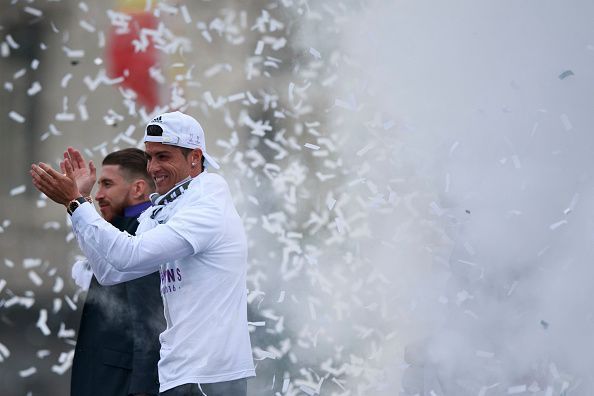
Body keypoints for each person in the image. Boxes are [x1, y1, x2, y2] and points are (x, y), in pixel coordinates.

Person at [31, 111, 255, 396]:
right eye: (150, 157)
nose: (152, 167)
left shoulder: (208, 205)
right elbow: (111, 271)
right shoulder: (163, 208)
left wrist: (76, 204)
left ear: (195, 158)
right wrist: (80, 203)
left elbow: (129, 255)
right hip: (176, 373)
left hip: (213, 376)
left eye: (163, 156)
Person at [69, 148, 165, 396]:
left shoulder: (143, 235)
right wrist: (79, 199)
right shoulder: (120, 230)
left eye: (107, 184)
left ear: (137, 189)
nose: (98, 195)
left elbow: (151, 324)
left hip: (121, 385)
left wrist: (142, 391)